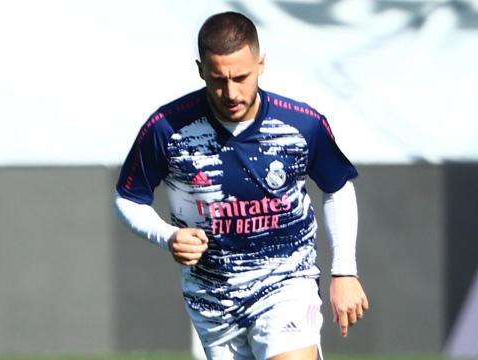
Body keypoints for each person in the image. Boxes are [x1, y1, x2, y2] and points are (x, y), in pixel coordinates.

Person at [114, 11, 369, 360]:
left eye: (241, 77)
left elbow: (338, 188)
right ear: (201, 69)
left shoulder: (301, 125)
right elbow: (129, 199)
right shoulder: (166, 128)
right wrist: (167, 235)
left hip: (287, 286)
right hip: (213, 301)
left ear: (261, 64)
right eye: (218, 79)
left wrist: (344, 270)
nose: (230, 92)